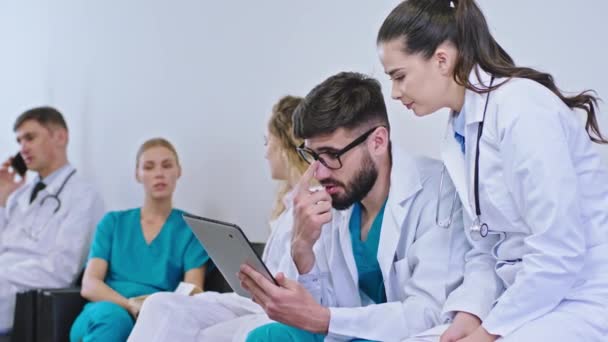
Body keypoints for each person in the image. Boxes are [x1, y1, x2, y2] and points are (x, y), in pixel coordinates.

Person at [376, 1, 608, 341]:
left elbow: (559, 251)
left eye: (399, 76)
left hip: (580, 297)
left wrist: (490, 330)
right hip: (527, 300)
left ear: (441, 59)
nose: (395, 93)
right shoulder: (460, 132)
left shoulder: (521, 108)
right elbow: (486, 245)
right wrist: (469, 316)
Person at [241, 71, 468, 342]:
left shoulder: (440, 191)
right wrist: (302, 250)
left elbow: (429, 314)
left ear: (378, 141)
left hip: (412, 336)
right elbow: (312, 311)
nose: (320, 173)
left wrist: (326, 319)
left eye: (332, 155)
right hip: (351, 331)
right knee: (265, 337)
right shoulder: (338, 201)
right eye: (313, 156)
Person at [127, 95, 309, 342]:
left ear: (285, 147)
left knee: (202, 334)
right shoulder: (285, 206)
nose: (265, 153)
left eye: (268, 143)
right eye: (149, 167)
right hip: (253, 300)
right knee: (160, 304)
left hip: (273, 307)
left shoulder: (313, 206)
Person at [69, 138, 210, 342]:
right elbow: (90, 284)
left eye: (167, 165)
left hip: (156, 317)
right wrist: (130, 305)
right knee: (114, 319)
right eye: (149, 167)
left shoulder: (191, 231)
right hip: (103, 312)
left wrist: (153, 310)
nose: (159, 173)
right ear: (138, 174)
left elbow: (193, 292)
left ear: (178, 171)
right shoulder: (113, 223)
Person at [0, 106, 105, 333]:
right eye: (19, 141)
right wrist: (1, 200)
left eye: (30, 138)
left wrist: (3, 273)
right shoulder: (18, 196)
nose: (22, 148)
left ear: (60, 137)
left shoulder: (83, 196)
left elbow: (62, 271)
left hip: (21, 294)